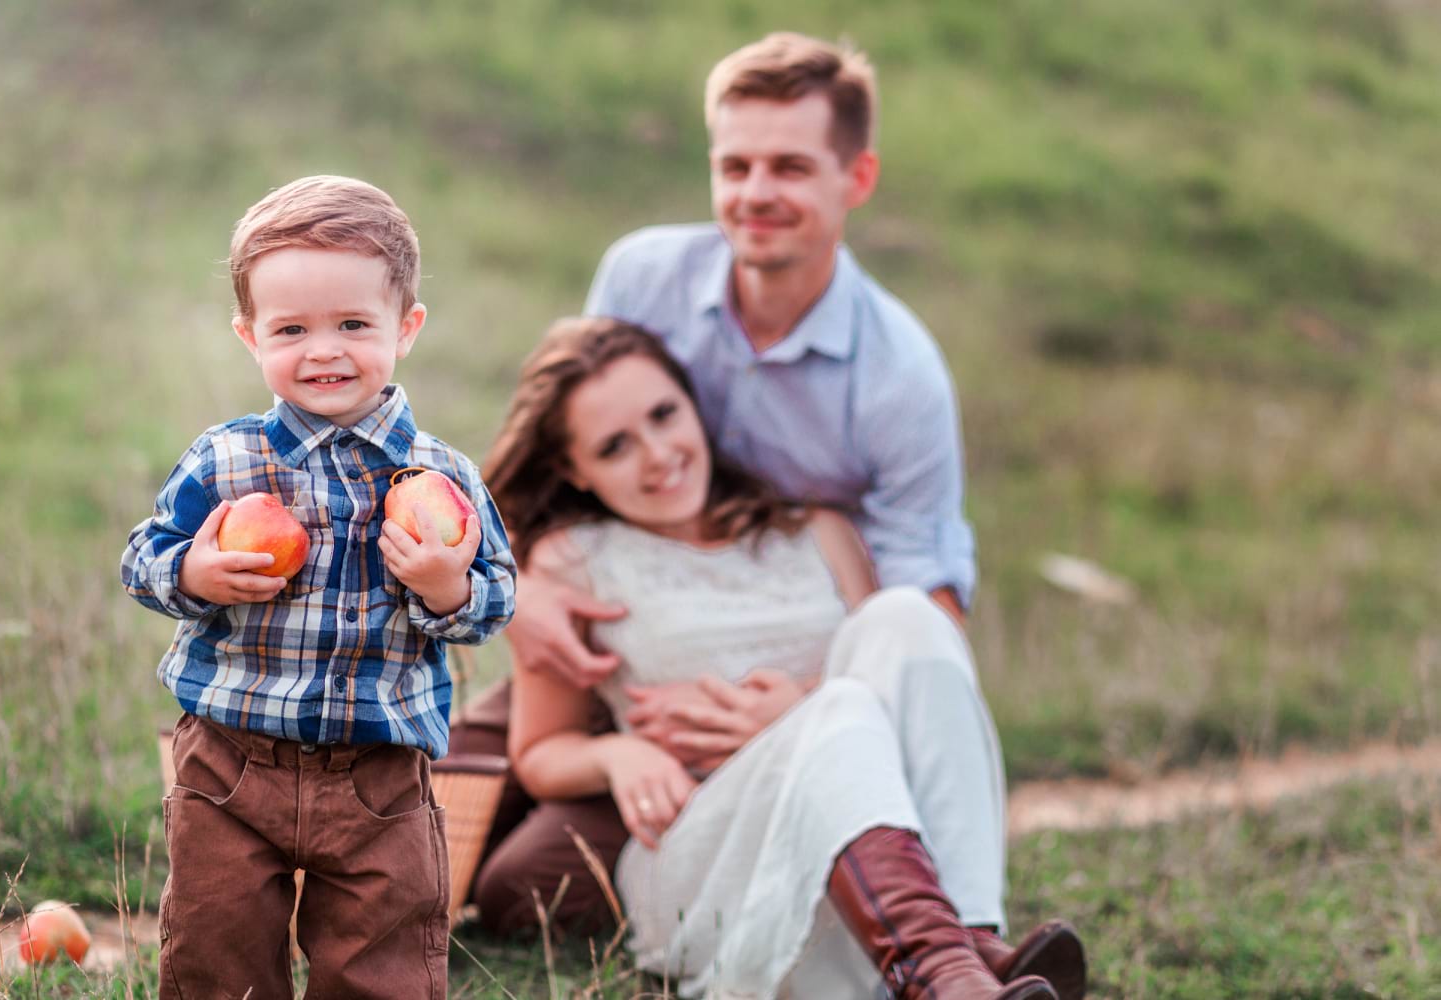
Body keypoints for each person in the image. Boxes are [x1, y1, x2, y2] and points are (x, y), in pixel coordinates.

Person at [458, 31, 1081, 996]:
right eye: (735, 165)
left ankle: (966, 944)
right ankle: (955, 968)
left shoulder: (897, 379)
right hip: (658, 729)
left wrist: (810, 703)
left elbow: (926, 600)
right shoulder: (644, 283)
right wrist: (520, 588)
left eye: (789, 166)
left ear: (856, 178)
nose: (756, 192)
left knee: (898, 631)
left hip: (813, 674)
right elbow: (580, 403)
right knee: (504, 846)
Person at [481, 316, 1080, 999]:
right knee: (840, 704)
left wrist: (797, 711)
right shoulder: (572, 562)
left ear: (693, 405)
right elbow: (540, 750)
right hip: (707, 852)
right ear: (573, 469)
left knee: (908, 616)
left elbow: (896, 687)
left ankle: (967, 944)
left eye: (664, 415)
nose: (657, 454)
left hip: (863, 850)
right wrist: (618, 756)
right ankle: (952, 970)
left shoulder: (819, 531)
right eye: (615, 446)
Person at [121, 175, 516, 999]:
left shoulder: (440, 476)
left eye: (353, 325)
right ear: (250, 337)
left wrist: (446, 585)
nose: (324, 350)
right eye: (292, 329)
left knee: (383, 960)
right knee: (216, 948)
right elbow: (142, 560)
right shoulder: (225, 460)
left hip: (379, 773)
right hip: (231, 760)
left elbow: (496, 598)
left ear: (406, 327)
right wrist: (194, 572)